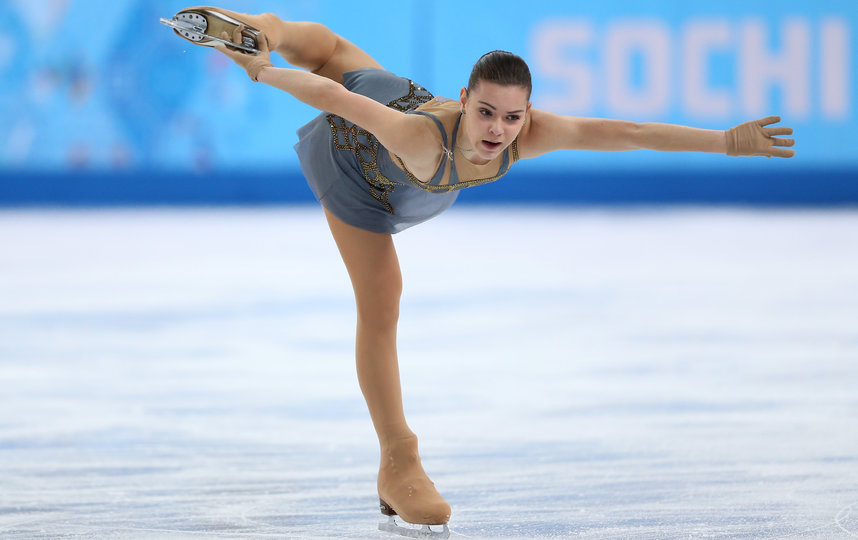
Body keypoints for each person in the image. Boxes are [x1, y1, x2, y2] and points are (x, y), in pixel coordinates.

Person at [165, 6, 795, 536]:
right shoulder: (423, 140)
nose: (498, 130)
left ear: (528, 115)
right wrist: (264, 73)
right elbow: (332, 97)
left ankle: (255, 29)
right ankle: (399, 460)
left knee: (329, 49)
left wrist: (726, 141)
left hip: (389, 109)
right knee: (382, 297)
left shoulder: (530, 134)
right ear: (465, 101)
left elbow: (627, 132)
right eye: (486, 112)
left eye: (512, 117)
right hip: (357, 160)